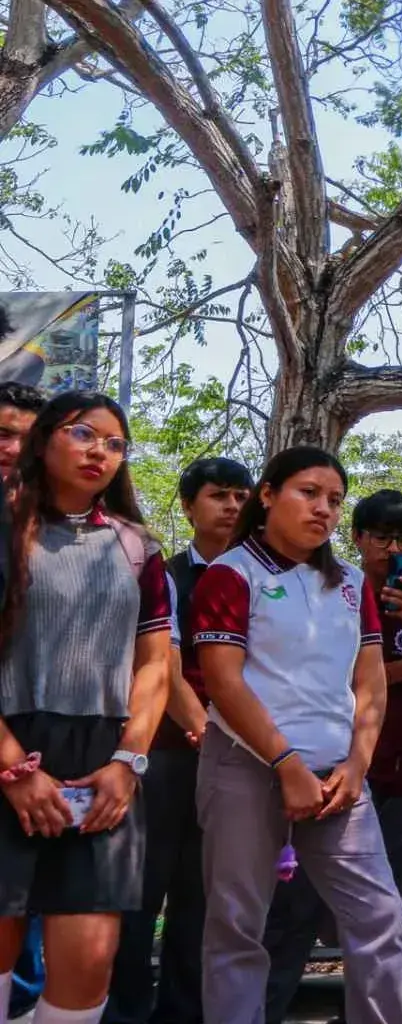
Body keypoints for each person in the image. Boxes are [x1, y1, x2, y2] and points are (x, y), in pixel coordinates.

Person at [191, 445, 402, 1024]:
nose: (323, 509)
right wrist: (286, 764)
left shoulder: (351, 583)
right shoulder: (230, 574)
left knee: (379, 916)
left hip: (339, 776)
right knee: (237, 925)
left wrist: (357, 765)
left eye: (334, 500)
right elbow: (223, 683)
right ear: (268, 495)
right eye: (308, 493)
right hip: (245, 766)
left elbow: (370, 681)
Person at [0, 391, 173, 1024]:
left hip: (104, 770)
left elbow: (154, 666)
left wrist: (128, 762)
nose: (101, 450)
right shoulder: (3, 528)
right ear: (44, 439)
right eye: (83, 433)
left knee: (89, 965)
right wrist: (12, 768)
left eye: (115, 443)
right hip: (9, 753)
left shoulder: (137, 547)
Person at [263, 488, 402, 1024]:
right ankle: (267, 1009)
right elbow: (318, 681)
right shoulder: (332, 590)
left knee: (385, 908)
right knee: (294, 906)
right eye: (382, 538)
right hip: (327, 770)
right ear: (358, 538)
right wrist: (398, 670)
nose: (393, 551)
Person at [106, 457, 252, 1024]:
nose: (232, 506)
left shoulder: (260, 577)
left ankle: (185, 1012)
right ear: (189, 506)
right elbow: (161, 665)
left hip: (241, 758)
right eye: (219, 495)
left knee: (203, 895)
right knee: (141, 891)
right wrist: (205, 731)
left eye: (241, 496)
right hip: (166, 753)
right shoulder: (163, 574)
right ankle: (125, 1011)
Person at [0, 382, 44, 1024]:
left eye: (26, 440)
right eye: (2, 434)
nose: (12, 449)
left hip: (45, 757)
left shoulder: (79, 538)